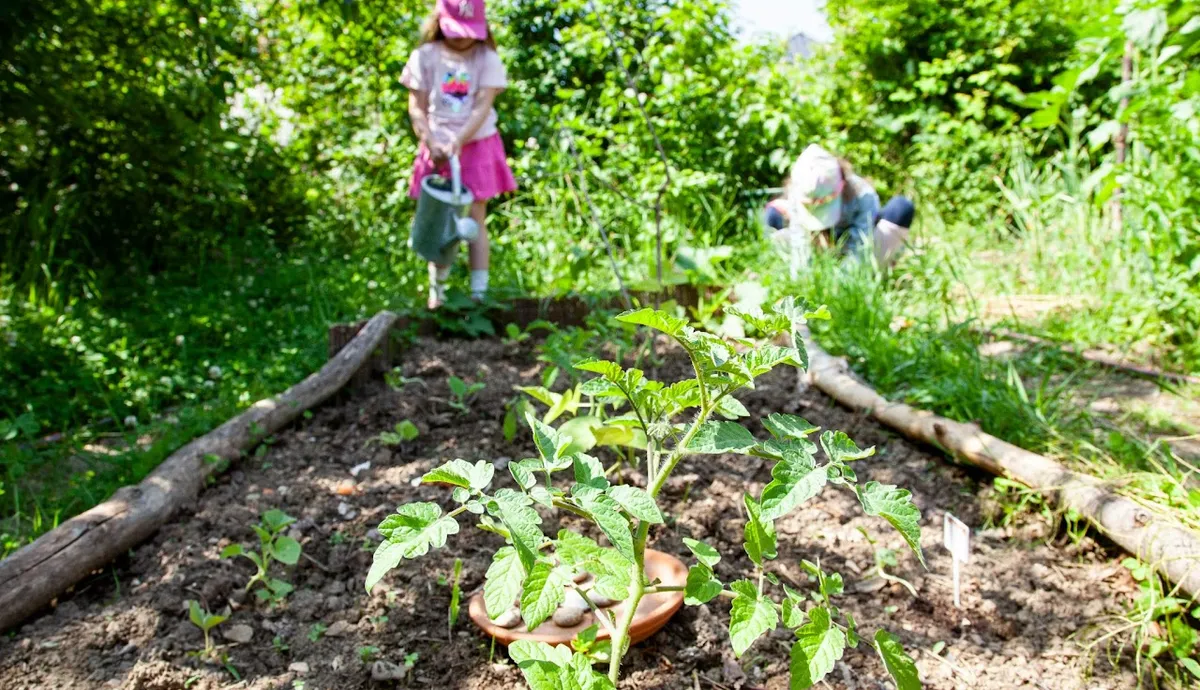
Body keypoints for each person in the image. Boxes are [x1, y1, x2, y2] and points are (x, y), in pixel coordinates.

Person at [401, 0, 517, 308]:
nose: (462, 37)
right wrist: (430, 141)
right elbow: (416, 107)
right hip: (436, 148)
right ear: (439, 21)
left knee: (475, 219)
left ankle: (479, 294)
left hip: (477, 146)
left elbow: (482, 106)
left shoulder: (487, 59)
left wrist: (459, 140)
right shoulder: (424, 56)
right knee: (439, 219)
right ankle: (437, 295)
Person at [777, 144, 915, 269]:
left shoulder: (863, 195)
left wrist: (840, 280)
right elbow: (800, 242)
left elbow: (860, 245)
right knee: (774, 214)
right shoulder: (798, 193)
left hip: (859, 252)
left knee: (901, 207)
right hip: (820, 249)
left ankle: (879, 269)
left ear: (842, 184)